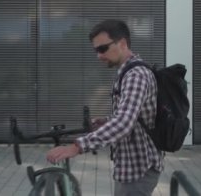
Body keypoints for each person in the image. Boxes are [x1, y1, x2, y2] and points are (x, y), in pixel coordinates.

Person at [46, 19, 163, 196]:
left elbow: (124, 123)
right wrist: (106, 122)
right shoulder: (126, 72)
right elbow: (132, 116)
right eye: (96, 50)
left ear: (122, 43)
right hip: (129, 166)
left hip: (139, 167)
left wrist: (76, 147)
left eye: (102, 49)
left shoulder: (136, 75)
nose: (98, 56)